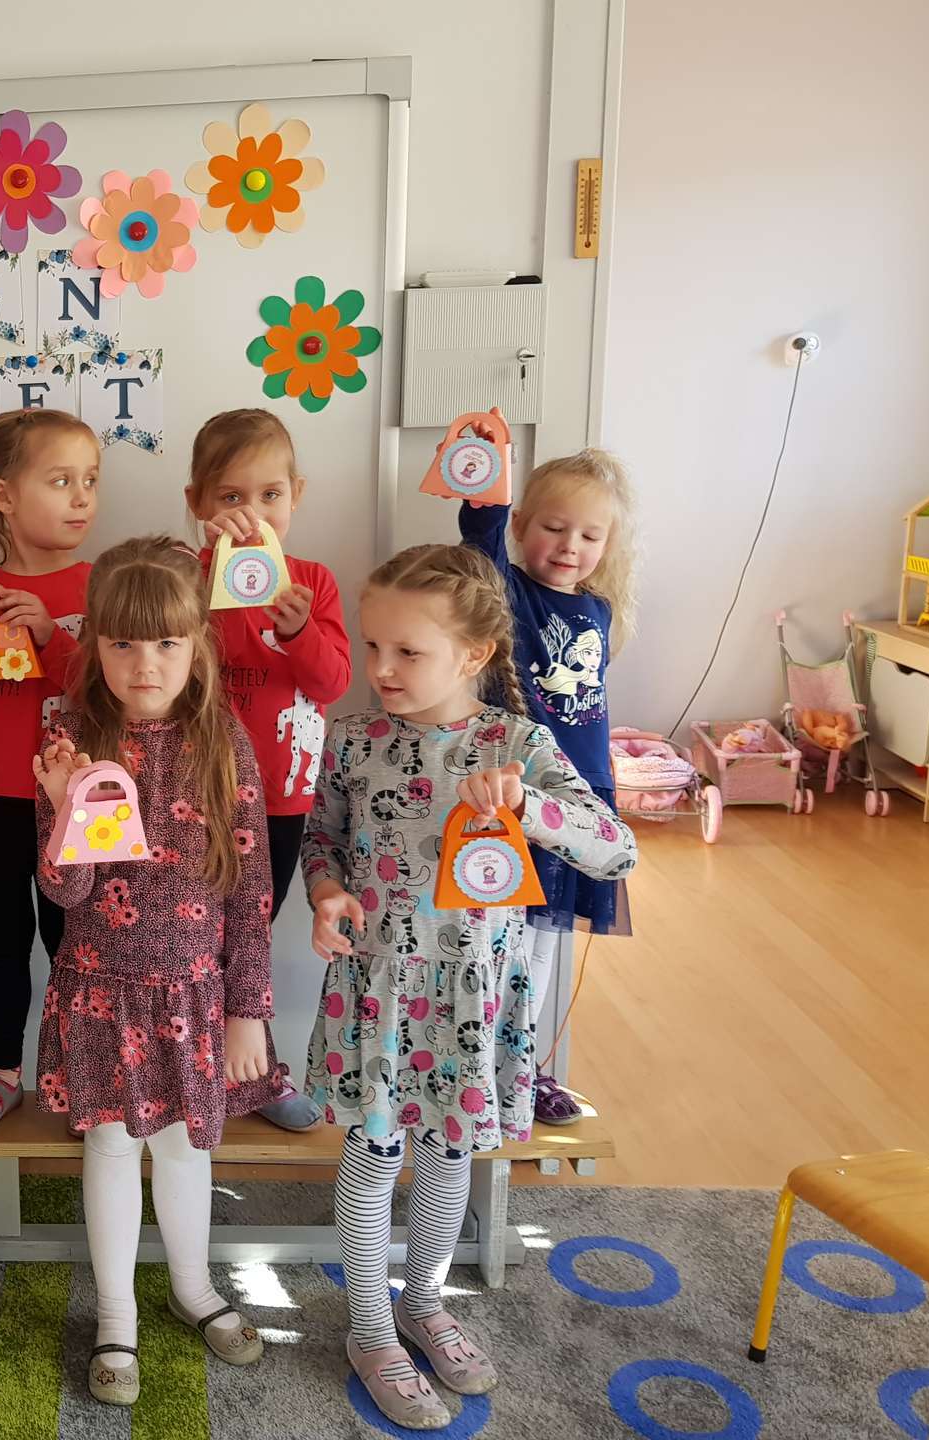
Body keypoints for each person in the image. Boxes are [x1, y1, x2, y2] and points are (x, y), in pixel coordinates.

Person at [302, 543, 638, 1429]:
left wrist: (530, 805)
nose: (381, 669)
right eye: (373, 647)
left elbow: (616, 850)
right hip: (381, 988)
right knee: (374, 1152)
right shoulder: (352, 739)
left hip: (474, 997)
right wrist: (327, 894)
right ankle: (370, 1327)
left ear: (474, 654)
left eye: (407, 651)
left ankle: (424, 1301)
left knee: (450, 1151)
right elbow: (321, 842)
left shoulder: (518, 744)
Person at [31, 537, 283, 1406]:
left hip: (195, 996)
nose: (146, 664)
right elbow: (63, 893)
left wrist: (248, 1008)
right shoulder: (69, 737)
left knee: (185, 1148)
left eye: (168, 643)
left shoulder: (224, 740)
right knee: (110, 1146)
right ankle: (116, 1314)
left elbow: (251, 887)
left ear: (198, 643)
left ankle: (192, 1287)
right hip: (100, 991)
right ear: (94, 644)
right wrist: (64, 808)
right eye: (124, 643)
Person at [457, 448, 639, 1124]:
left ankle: (524, 1070)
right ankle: (487, 1066)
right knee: (503, 941)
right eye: (554, 528)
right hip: (515, 791)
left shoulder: (598, 609)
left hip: (578, 800)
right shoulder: (508, 594)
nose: (570, 547)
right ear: (521, 525)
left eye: (590, 535)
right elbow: (480, 543)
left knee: (542, 947)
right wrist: (489, 481)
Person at [0, 408, 99, 1140]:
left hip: (76, 797)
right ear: (3, 496)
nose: (81, 497)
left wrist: (52, 637)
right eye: (60, 481)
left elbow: (110, 693)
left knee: (78, 943)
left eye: (89, 481)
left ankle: (83, 1073)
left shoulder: (98, 585)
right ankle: (2, 1073)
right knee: (3, 940)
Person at [187, 408, 352, 1130]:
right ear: (198, 503)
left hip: (282, 798)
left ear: (296, 495)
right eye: (230, 497)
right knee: (194, 934)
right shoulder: (185, 578)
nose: (251, 514)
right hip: (194, 792)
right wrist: (199, 576)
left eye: (269, 495)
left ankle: (256, 1067)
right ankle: (193, 1060)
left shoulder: (310, 583)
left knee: (251, 934)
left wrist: (298, 629)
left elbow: (333, 682)